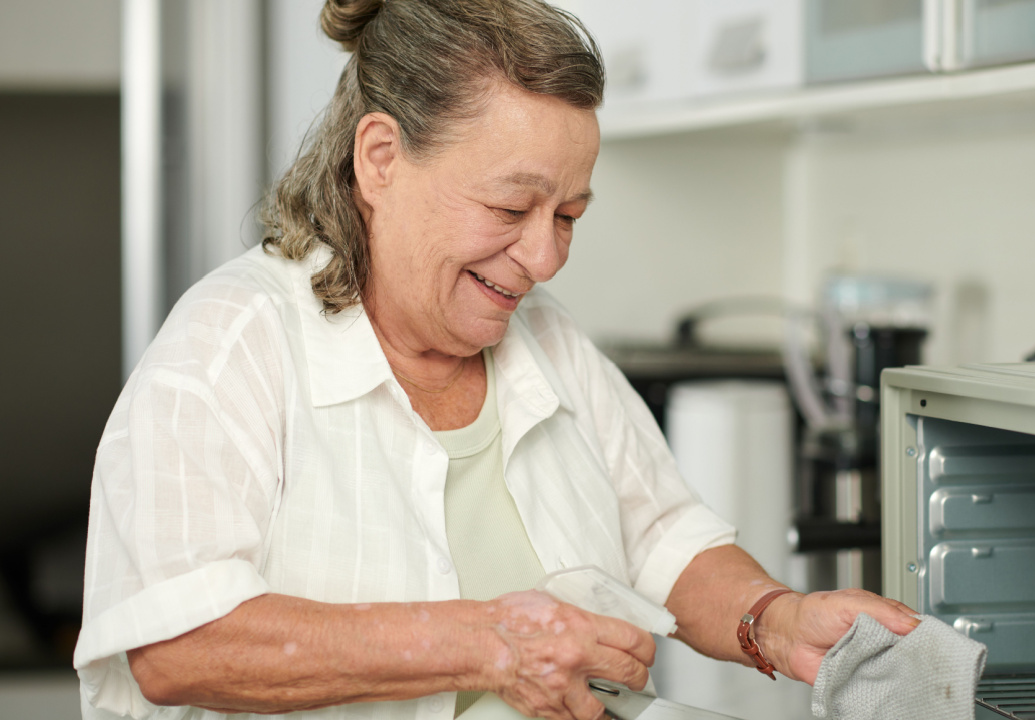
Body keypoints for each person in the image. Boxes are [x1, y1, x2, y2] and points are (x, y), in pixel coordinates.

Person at [73, 1, 919, 718]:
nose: (545, 258)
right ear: (380, 159)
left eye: (569, 216)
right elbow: (174, 640)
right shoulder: (233, 343)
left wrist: (772, 621)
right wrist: (489, 643)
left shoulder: (545, 341)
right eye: (512, 205)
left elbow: (663, 538)